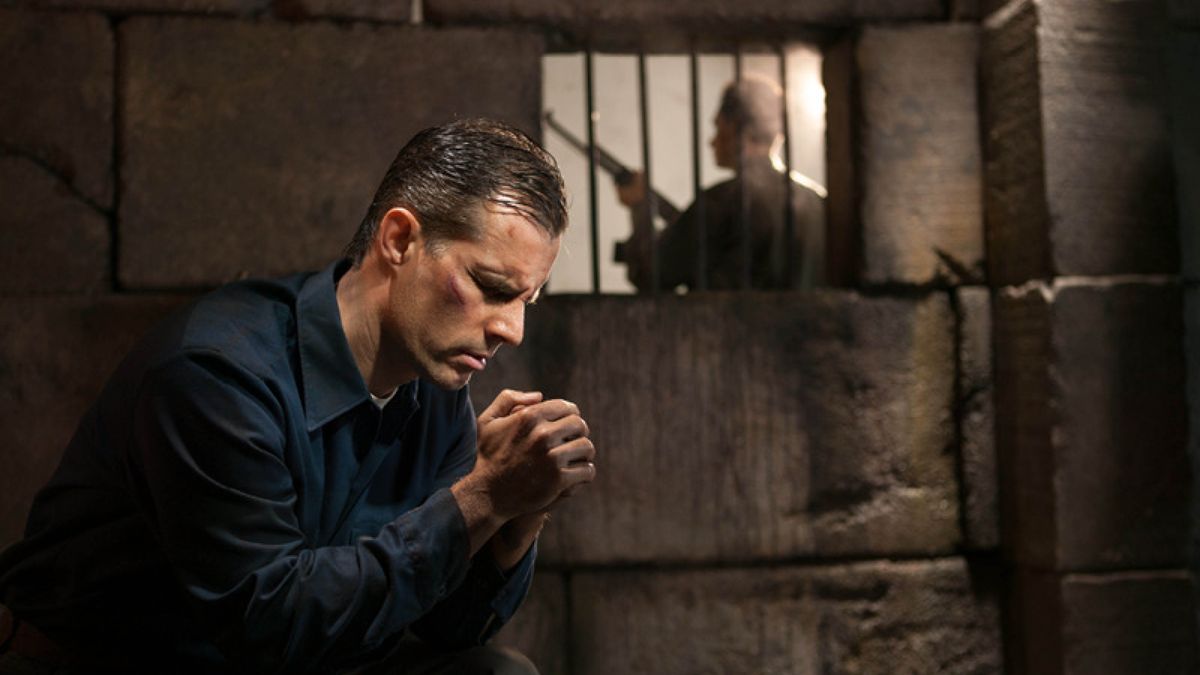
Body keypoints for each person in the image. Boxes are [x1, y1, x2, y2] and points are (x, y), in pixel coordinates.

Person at [0, 119, 594, 674]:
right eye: (491, 288)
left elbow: (451, 627)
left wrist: (519, 510)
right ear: (398, 239)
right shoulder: (215, 375)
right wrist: (484, 494)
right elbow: (269, 625)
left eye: (525, 301)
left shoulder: (433, 387)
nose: (511, 330)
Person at [615, 75, 826, 292]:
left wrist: (639, 207)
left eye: (717, 126)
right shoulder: (819, 202)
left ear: (733, 127)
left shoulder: (724, 199)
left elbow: (653, 274)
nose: (711, 141)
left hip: (734, 326)